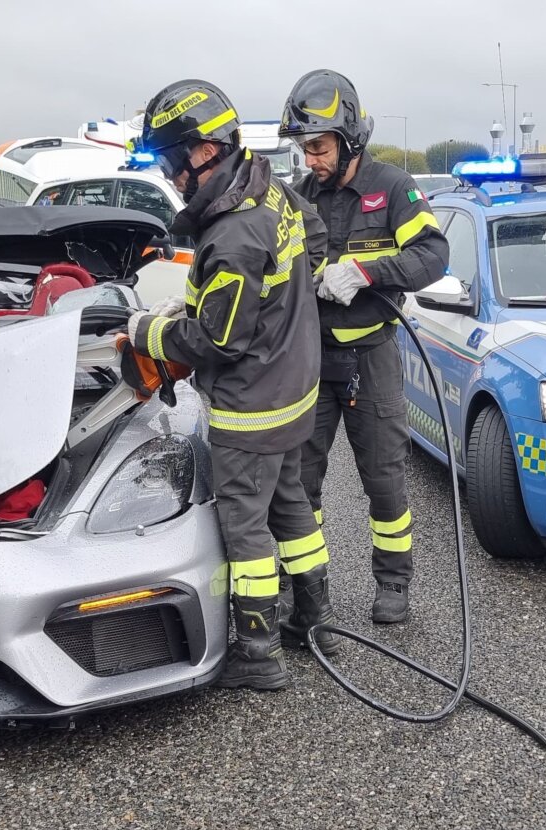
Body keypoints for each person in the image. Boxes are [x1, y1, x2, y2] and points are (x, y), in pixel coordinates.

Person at [125, 79, 337, 691]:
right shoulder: (273, 192)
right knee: (291, 502)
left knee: (246, 526)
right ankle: (315, 617)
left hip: (253, 407)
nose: (170, 176)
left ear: (201, 153)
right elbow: (314, 240)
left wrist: (147, 332)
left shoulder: (234, 235)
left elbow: (218, 342)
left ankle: (258, 651)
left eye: (170, 162)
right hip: (295, 386)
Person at [281, 70, 448, 625]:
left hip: (371, 359)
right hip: (310, 362)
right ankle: (310, 591)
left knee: (384, 478)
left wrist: (367, 273)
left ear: (350, 137)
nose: (311, 161)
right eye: (305, 149)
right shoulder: (299, 196)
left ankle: (394, 583)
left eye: (320, 148)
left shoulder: (393, 187)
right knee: (301, 483)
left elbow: (433, 255)